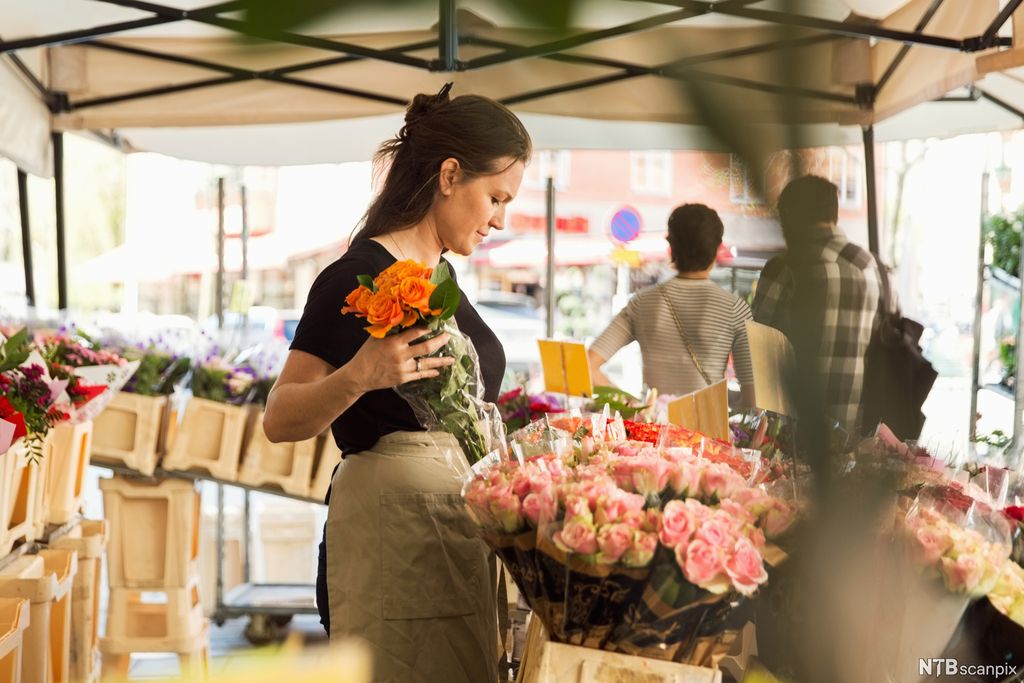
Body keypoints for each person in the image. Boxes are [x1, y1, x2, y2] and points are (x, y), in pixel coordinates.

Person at [262, 84, 530, 683]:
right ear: (450, 174)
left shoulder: (442, 278)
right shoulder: (354, 277)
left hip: (451, 536)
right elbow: (280, 418)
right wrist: (362, 375)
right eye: (495, 197)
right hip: (394, 541)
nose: (499, 219)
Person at [588, 203, 755, 405]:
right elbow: (752, 396)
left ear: (671, 246)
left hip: (655, 432)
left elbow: (588, 365)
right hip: (709, 434)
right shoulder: (734, 309)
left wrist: (634, 407)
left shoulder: (642, 303)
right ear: (717, 247)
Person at [751, 174, 880, 433]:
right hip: (857, 429)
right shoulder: (872, 267)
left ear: (790, 218)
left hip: (795, 432)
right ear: (834, 215)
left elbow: (758, 345)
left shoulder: (785, 268)